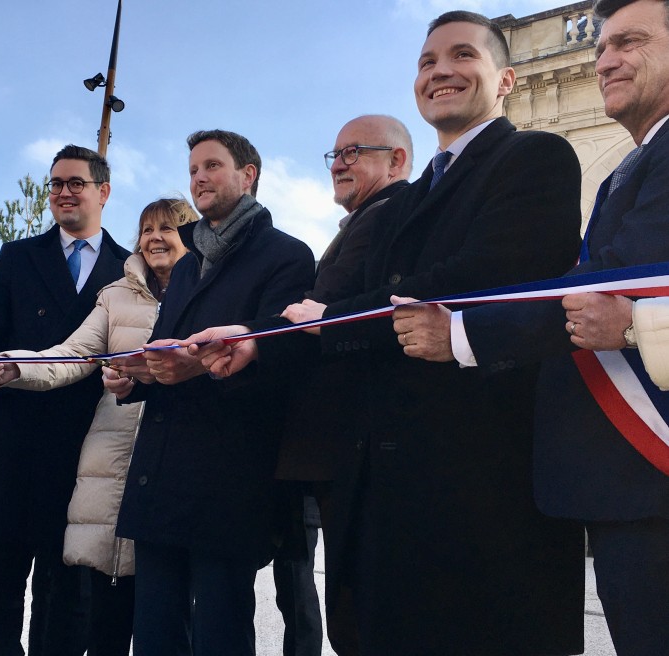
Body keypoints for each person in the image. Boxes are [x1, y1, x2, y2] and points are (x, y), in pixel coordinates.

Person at [188, 12, 585, 655]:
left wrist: (322, 323)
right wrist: (258, 337)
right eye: (427, 62)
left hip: (480, 480)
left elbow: (477, 277)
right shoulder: (407, 198)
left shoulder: (536, 156)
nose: (440, 71)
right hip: (388, 484)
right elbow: (348, 304)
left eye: (462, 55)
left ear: (507, 79)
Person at [395, 2, 669, 653]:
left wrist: (460, 334)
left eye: (628, 42)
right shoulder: (633, 166)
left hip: (647, 481)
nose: (605, 61)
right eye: (600, 48)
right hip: (621, 481)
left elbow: (618, 277)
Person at [104, 129, 314, 656]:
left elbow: (285, 357)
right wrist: (135, 376)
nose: (199, 177)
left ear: (249, 175)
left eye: (212, 166)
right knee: (154, 634)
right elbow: (164, 347)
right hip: (160, 475)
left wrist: (197, 369)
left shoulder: (287, 255)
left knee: (221, 632)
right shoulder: (185, 266)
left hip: (228, 480)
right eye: (193, 169)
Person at [0, 197, 198, 656]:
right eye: (147, 229)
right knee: (104, 602)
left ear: (191, 237)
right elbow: (74, 354)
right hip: (111, 458)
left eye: (168, 229)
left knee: (168, 609)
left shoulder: (210, 291)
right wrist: (17, 366)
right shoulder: (115, 294)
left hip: (177, 452)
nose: (154, 238)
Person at [0, 145, 129, 656]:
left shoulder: (128, 268)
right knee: (0, 579)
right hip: (16, 437)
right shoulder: (18, 256)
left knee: (68, 587)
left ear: (103, 192)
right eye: (55, 184)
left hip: (86, 443)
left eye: (76, 183)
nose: (63, 193)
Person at [273, 114, 413, 656]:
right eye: (334, 154)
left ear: (397, 160)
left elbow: (330, 306)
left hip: (364, 444)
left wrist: (253, 338)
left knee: (362, 613)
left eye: (354, 152)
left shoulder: (394, 213)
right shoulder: (364, 219)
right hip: (339, 446)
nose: (338, 164)